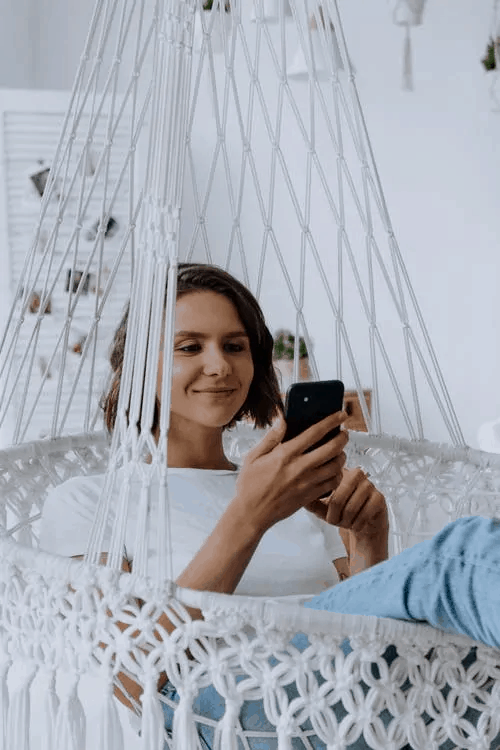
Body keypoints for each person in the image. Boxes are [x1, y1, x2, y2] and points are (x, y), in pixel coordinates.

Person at [39, 263, 499, 748]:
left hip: (346, 690)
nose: (219, 365)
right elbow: (132, 678)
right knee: (460, 557)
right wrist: (250, 515)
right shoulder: (87, 501)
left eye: (235, 346)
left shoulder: (285, 483)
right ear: (138, 366)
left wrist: (369, 541)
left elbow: (361, 633)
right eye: (189, 346)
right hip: (229, 706)